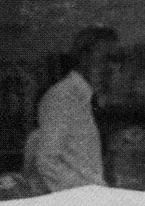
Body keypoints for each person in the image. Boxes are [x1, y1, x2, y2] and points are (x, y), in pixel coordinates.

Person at [29, 29, 117, 195]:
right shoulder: (62, 98)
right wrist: (86, 195)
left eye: (116, 60)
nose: (112, 67)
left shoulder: (88, 100)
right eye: (106, 58)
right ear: (84, 58)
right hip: (81, 204)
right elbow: (47, 161)